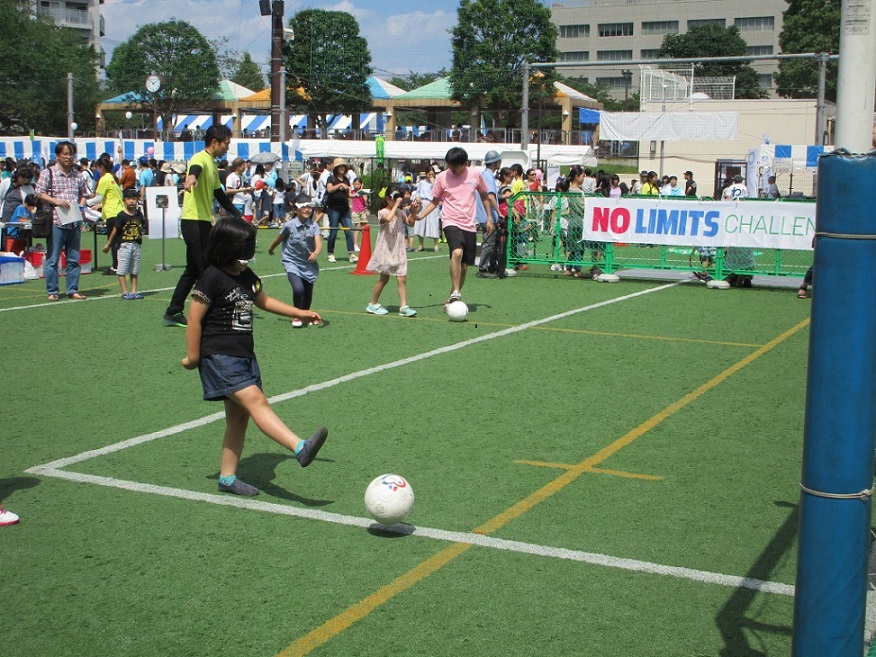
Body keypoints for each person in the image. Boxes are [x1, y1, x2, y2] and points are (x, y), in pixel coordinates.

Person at [181, 218, 328, 496]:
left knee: (239, 419)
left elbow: (264, 302)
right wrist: (193, 357)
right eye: (246, 243)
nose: (251, 248)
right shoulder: (211, 277)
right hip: (219, 356)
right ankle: (299, 447)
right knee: (257, 402)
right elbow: (194, 318)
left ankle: (227, 478)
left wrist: (301, 312)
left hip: (244, 356)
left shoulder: (246, 275)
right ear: (229, 246)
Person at [163, 125, 241, 327]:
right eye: (226, 143)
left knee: (192, 270)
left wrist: (237, 214)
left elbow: (219, 194)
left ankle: (173, 311)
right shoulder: (200, 158)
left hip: (204, 222)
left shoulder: (213, 164)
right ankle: (210, 313)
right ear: (215, 142)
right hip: (193, 222)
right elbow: (194, 170)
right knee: (207, 270)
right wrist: (190, 178)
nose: (227, 147)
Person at [409, 147, 491, 308]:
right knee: (457, 252)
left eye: (455, 166)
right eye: (449, 165)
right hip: (450, 221)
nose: (451, 169)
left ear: (464, 163)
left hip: (469, 223)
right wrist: (420, 216)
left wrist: (489, 218)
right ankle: (456, 292)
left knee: (465, 266)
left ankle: (453, 296)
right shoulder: (442, 177)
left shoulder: (475, 175)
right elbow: (435, 201)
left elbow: (484, 195)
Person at [35, 140, 92, 301]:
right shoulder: (49, 173)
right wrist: (56, 201)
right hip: (55, 221)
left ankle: (72, 289)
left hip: (74, 221)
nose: (68, 157)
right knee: (53, 258)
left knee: (73, 258)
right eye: (65, 154)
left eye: (71, 154)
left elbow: (85, 194)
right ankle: (52, 290)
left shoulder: (78, 175)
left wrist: (80, 208)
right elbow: (38, 192)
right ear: (58, 155)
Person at [266, 194, 323, 328]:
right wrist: (271, 248)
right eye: (304, 207)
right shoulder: (289, 225)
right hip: (291, 262)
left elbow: (318, 243)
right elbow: (278, 239)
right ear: (296, 210)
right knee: (298, 289)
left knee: (308, 292)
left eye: (309, 207)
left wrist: (316, 252)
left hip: (308, 264)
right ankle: (296, 315)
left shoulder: (314, 226)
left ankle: (307, 315)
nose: (307, 209)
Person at [365, 189, 419, 317]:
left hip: (399, 249)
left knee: (402, 277)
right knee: (384, 278)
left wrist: (414, 210)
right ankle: (372, 304)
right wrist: (396, 205)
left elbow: (410, 223)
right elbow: (387, 219)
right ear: (388, 199)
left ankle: (403, 306)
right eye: (395, 198)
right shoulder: (382, 212)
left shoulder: (400, 213)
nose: (398, 201)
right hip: (386, 250)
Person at [103, 188, 145, 299]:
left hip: (136, 245)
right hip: (124, 245)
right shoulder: (121, 215)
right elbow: (115, 230)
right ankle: (124, 291)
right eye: (128, 199)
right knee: (122, 268)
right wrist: (109, 244)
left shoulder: (139, 214)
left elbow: (142, 227)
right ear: (124, 200)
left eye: (134, 199)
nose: (131, 201)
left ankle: (134, 291)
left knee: (134, 269)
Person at [323, 158, 358, 264]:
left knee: (349, 231)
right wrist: (339, 185)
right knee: (333, 232)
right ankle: (330, 254)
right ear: (336, 168)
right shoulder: (331, 178)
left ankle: (351, 254)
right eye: (340, 166)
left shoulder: (347, 179)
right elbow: (329, 190)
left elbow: (349, 195)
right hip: (333, 209)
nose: (342, 168)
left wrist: (358, 194)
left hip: (345, 209)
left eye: (344, 167)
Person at [94, 154, 125, 274]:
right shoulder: (112, 177)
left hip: (112, 213)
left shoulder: (104, 179)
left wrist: (86, 202)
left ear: (101, 167)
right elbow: (112, 197)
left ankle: (116, 266)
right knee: (118, 241)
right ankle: (119, 264)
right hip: (118, 211)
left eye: (97, 167)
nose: (97, 170)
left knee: (113, 241)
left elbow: (98, 198)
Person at [475, 150, 503, 278]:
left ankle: (490, 266)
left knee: (492, 243)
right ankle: (482, 269)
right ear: (495, 162)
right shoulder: (489, 176)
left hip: (484, 215)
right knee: (489, 243)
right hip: (488, 216)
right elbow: (491, 196)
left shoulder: (484, 175)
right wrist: (499, 212)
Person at [412, 171, 440, 252]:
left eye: (432, 174)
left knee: (434, 224)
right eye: (429, 174)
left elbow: (438, 192)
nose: (431, 176)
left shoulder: (436, 182)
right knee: (420, 224)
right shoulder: (421, 183)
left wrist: (433, 182)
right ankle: (421, 245)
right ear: (426, 174)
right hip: (423, 203)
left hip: (432, 203)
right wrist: (417, 198)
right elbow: (417, 193)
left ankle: (436, 245)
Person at [350, 178, 370, 253]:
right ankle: (354, 244)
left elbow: (365, 199)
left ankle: (364, 244)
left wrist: (362, 190)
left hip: (363, 211)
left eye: (358, 184)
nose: (356, 185)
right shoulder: (352, 192)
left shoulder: (363, 192)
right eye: (355, 184)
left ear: (361, 184)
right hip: (355, 212)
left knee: (364, 228)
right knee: (358, 228)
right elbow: (349, 197)